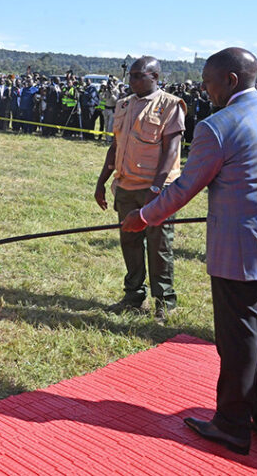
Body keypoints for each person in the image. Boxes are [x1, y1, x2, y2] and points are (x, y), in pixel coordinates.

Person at [121, 47, 257, 455]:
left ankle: (233, 424)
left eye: (208, 81)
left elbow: (185, 188)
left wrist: (143, 217)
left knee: (240, 338)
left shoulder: (218, 126)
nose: (205, 89)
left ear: (231, 80)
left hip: (241, 248)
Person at [94, 56, 185, 322]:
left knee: (159, 247)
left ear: (154, 76)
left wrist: (155, 190)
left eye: (138, 76)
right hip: (126, 186)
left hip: (157, 190)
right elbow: (116, 147)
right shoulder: (124, 104)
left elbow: (171, 151)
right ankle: (133, 296)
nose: (131, 80)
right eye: (130, 76)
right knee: (130, 243)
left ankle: (165, 302)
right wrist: (101, 182)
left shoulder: (171, 105)